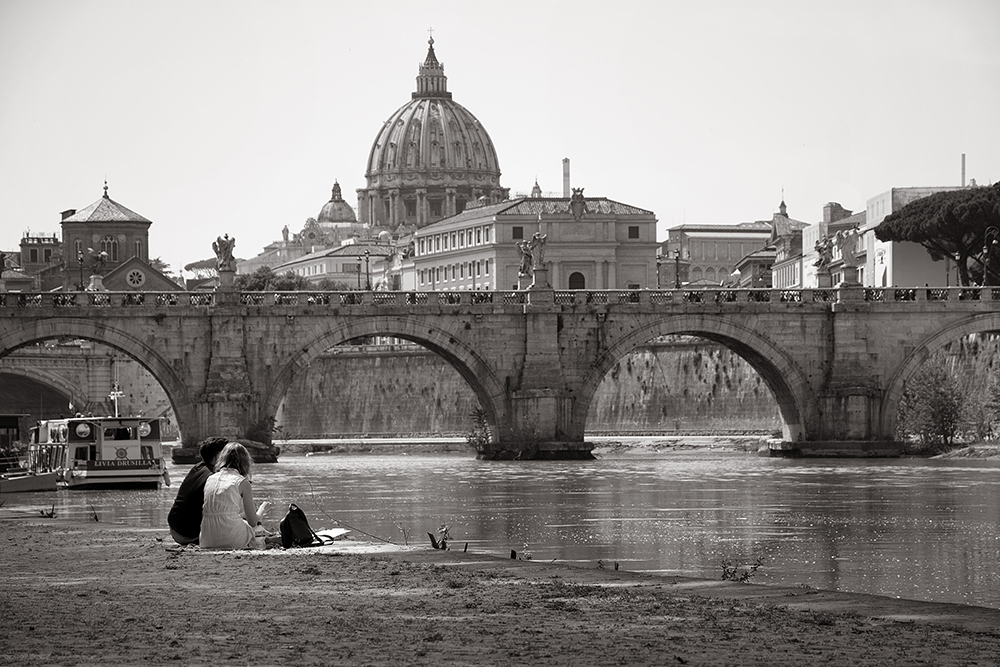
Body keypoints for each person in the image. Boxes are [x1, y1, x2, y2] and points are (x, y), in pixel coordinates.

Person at [200, 442, 269, 549]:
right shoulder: (242, 482)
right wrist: (261, 510)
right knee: (257, 529)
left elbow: (222, 514)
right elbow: (253, 522)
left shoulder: (210, 479)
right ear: (246, 462)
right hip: (231, 538)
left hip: (207, 538)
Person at [167, 438, 227, 545]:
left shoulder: (198, 467)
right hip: (190, 535)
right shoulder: (214, 478)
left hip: (175, 529)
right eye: (228, 454)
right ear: (217, 457)